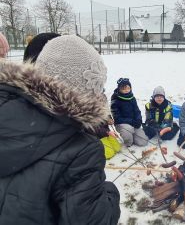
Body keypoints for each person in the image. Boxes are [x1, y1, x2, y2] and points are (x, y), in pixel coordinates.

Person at [0, 35, 120, 224]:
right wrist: (110, 193)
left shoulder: (6, 105)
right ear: (87, 92)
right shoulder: (81, 150)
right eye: (99, 87)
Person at [110, 78, 148, 147]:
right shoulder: (115, 100)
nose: (126, 90)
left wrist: (139, 120)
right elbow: (117, 118)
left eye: (128, 88)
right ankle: (128, 142)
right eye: (124, 89)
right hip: (122, 124)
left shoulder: (132, 97)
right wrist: (131, 121)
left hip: (133, 122)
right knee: (128, 130)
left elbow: (137, 111)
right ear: (119, 89)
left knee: (143, 142)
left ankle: (134, 135)